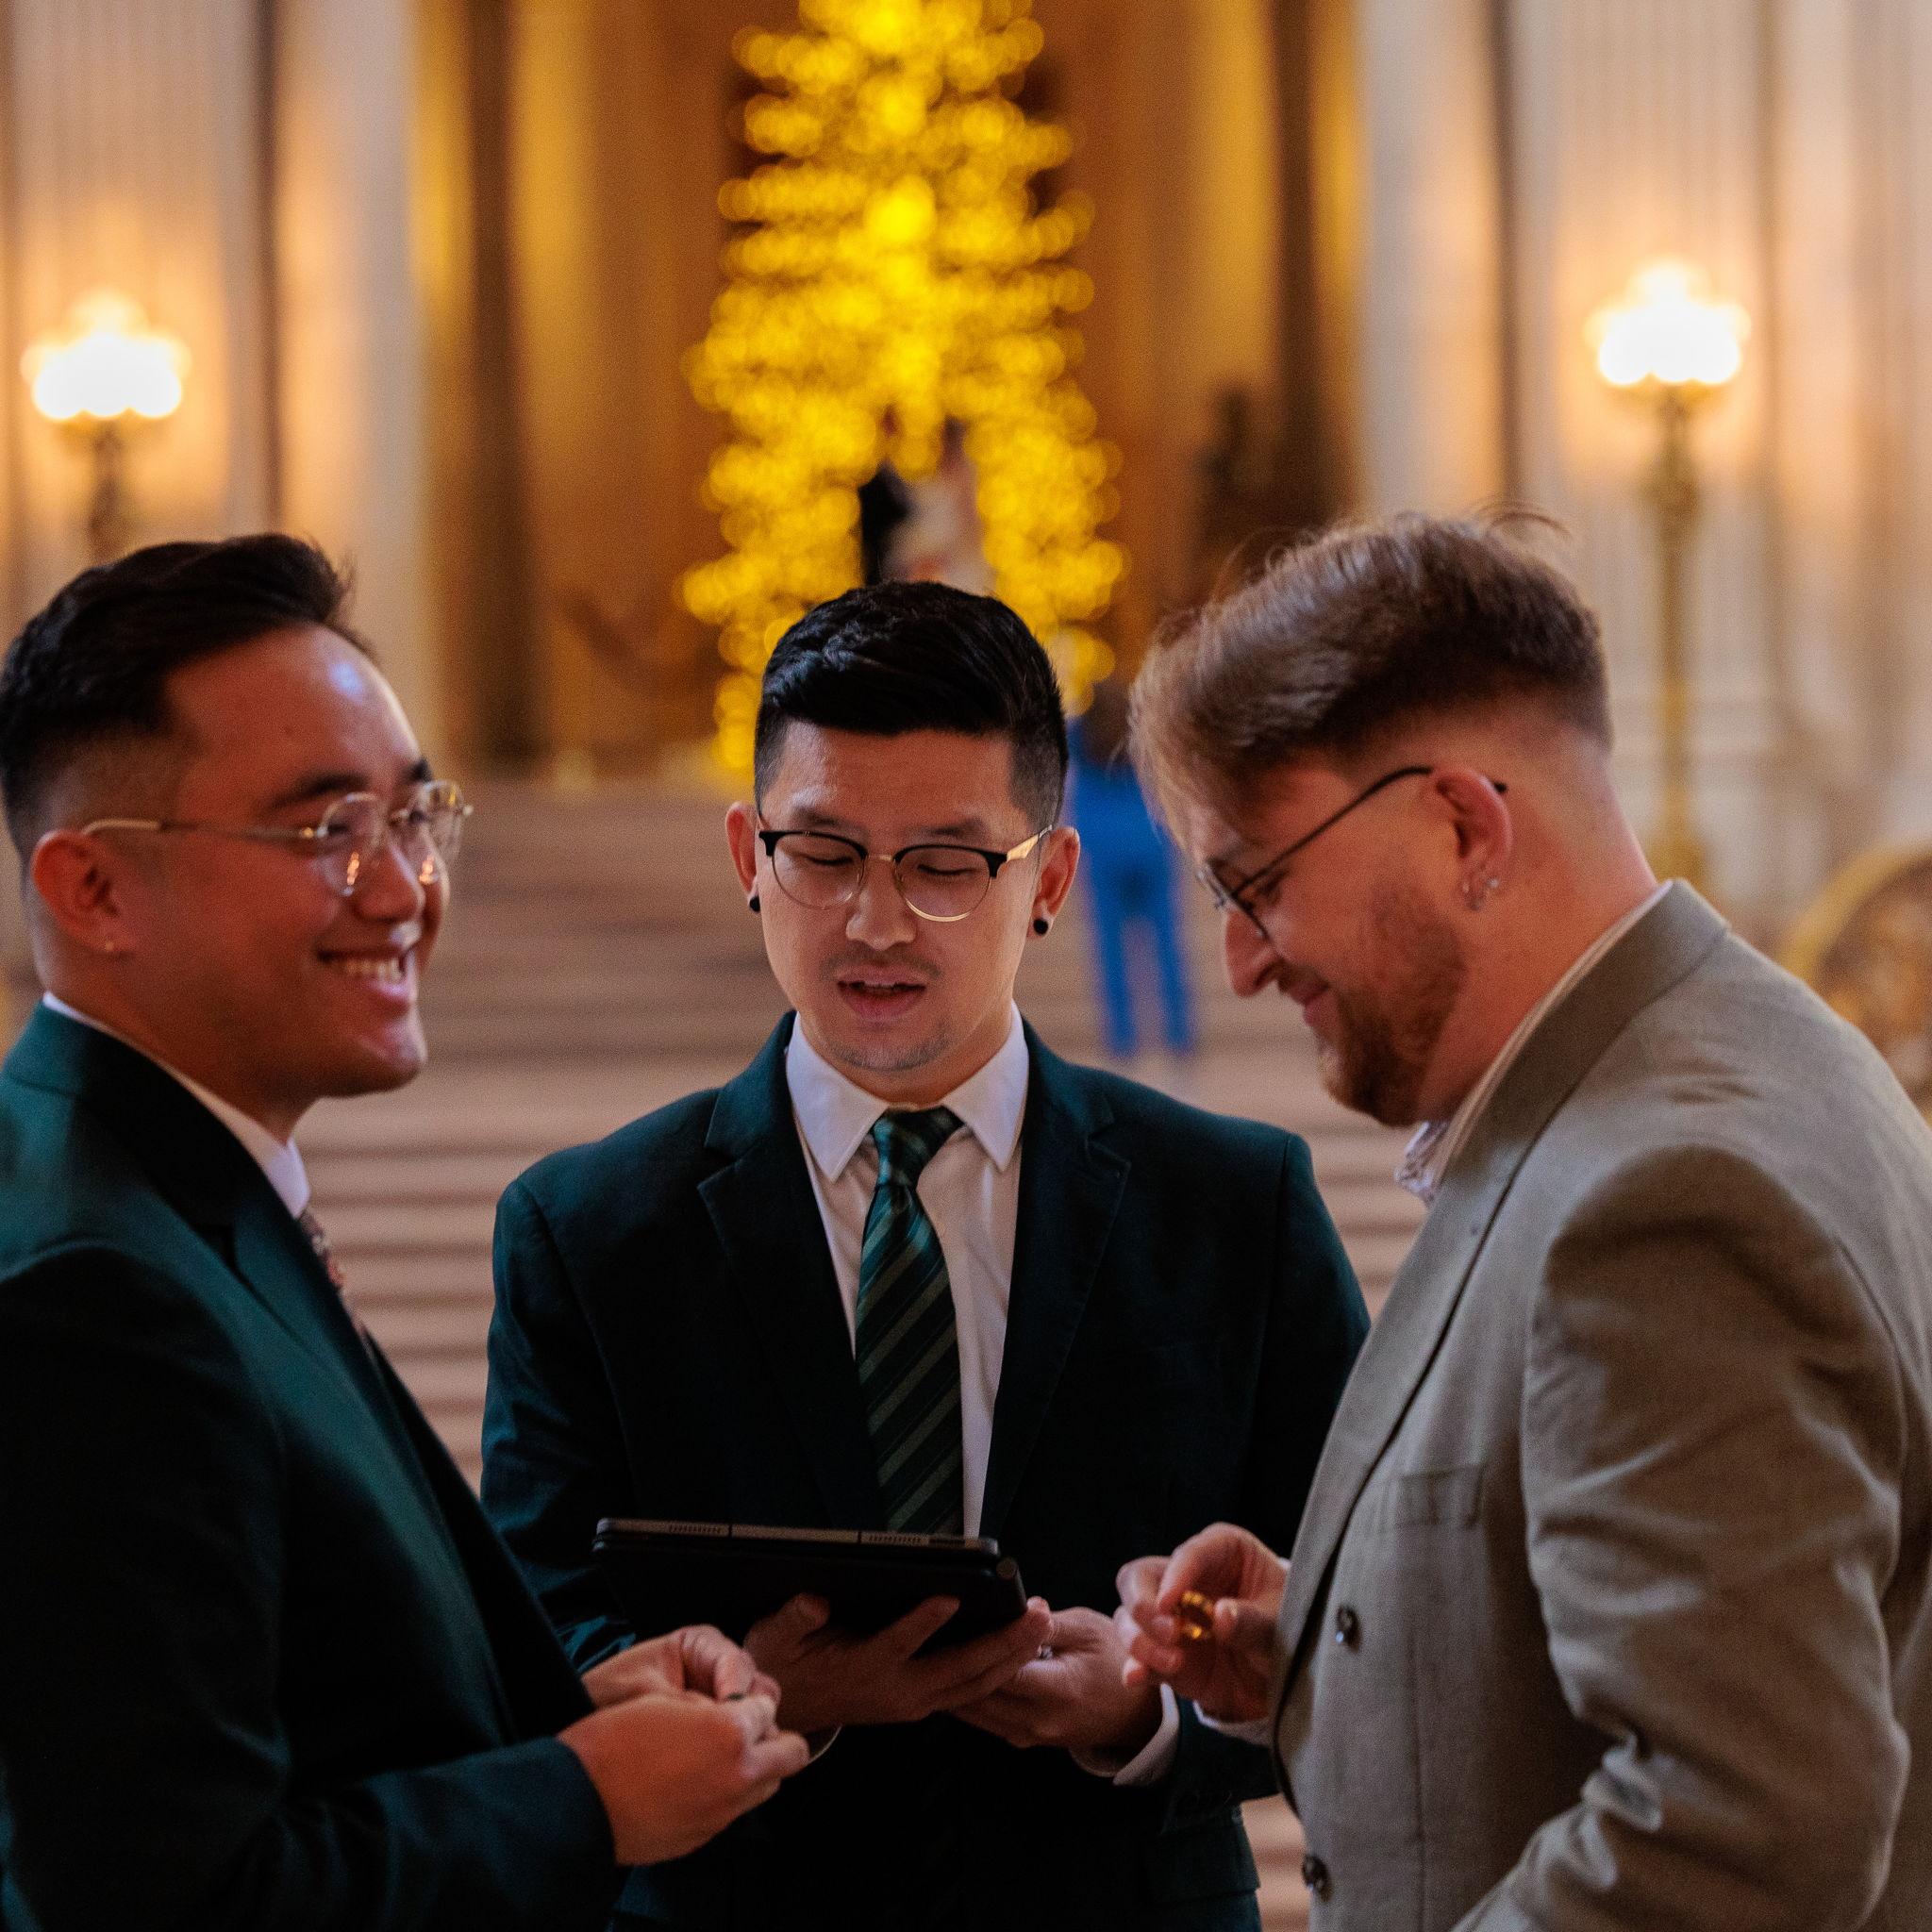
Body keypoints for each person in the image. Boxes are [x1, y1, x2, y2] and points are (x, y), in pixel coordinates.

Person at [483, 579, 1368, 1931]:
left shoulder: (1234, 1206)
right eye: (824, 852)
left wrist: (1147, 1710)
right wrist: (761, 1690)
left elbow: (1368, 1626)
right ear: (748, 856)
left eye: (946, 865)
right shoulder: (588, 1229)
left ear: (1049, 878)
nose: (876, 921)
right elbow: (533, 1643)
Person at [1115, 513, 1932, 1930]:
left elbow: (1737, 1826)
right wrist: (1331, 1636)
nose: (1241, 960)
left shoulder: (1666, 1200)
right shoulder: (1729, 1051)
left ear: (1462, 827)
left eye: (1260, 883)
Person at [0, 537, 808, 1930]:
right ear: (96, 890)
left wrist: (549, 1717)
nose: (403, 889)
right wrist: (584, 1800)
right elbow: (166, 1900)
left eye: (415, 815)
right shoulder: (94, 1287)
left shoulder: (160, 1179)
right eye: (327, 830)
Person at [1067, 677, 1196, 1061]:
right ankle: (1178, 1033)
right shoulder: (1143, 726)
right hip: (1150, 841)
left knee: (1110, 948)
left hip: (1102, 848)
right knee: (1167, 943)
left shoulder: (1080, 735)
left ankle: (1122, 1038)